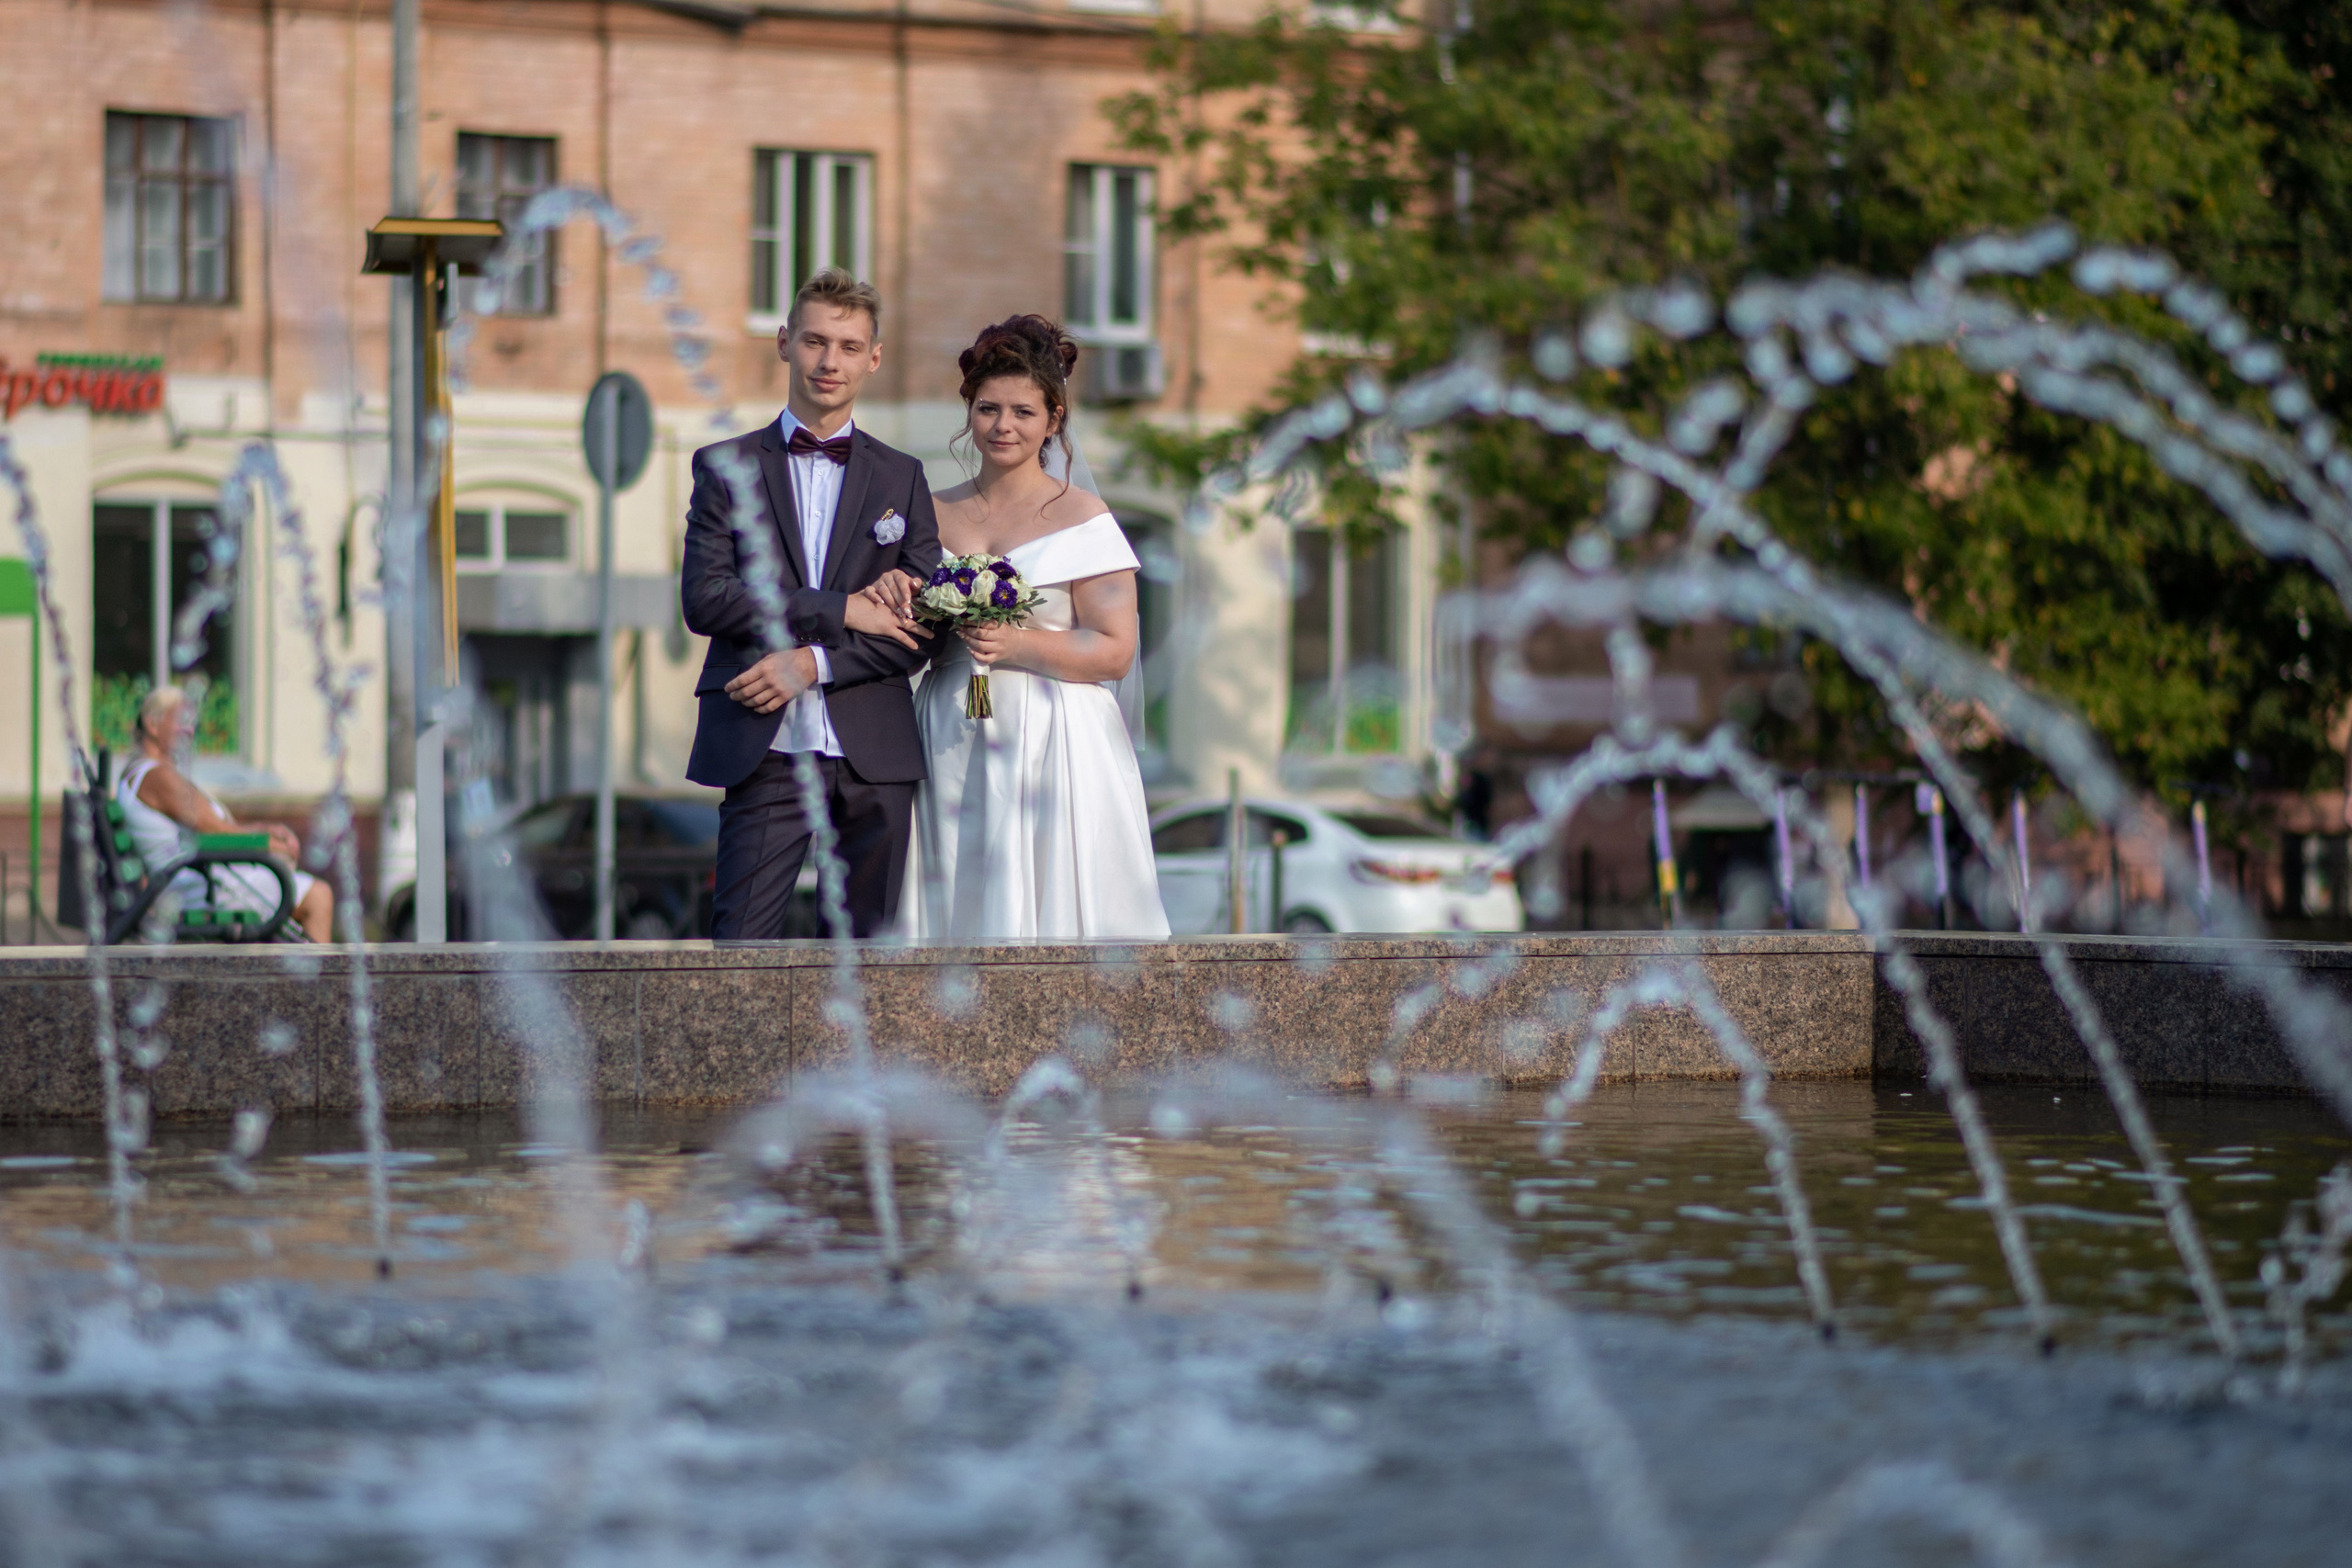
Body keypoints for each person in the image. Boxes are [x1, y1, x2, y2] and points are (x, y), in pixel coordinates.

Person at [864, 316, 1170, 941]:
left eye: (1024, 412)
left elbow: (1115, 649)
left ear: (1054, 420)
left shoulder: (1085, 518)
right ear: (969, 412)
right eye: (988, 409)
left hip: (1056, 738)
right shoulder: (930, 509)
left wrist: (1019, 643)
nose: (1004, 426)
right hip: (951, 724)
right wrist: (897, 600)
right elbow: (899, 622)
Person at [680, 268, 944, 938]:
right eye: (816, 341)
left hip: (875, 757)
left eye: (850, 346)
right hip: (764, 747)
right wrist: (840, 609)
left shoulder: (902, 476)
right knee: (740, 954)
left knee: (867, 970)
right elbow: (707, 599)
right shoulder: (723, 466)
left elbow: (921, 630)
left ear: (874, 358)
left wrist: (813, 665)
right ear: (784, 342)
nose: (831, 361)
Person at [116, 683, 334, 941]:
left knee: (293, 887)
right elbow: (214, 831)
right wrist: (268, 844)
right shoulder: (156, 777)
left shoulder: (146, 773)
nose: (190, 729)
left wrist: (261, 830)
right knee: (318, 895)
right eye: (181, 721)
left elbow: (212, 828)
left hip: (199, 879)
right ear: (153, 725)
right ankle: (321, 982)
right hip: (200, 888)